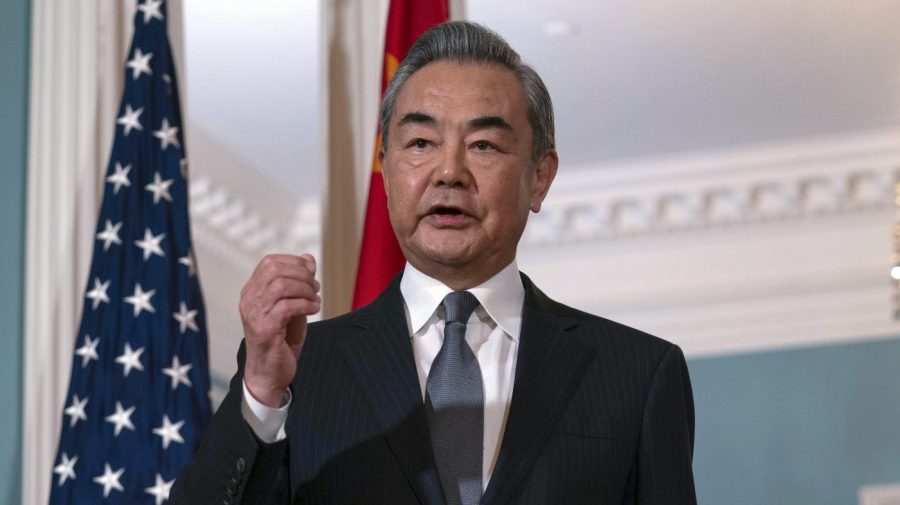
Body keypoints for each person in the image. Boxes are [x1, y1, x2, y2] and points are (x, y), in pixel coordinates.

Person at [172, 21, 696, 505]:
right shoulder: (300, 371)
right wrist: (263, 398)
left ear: (540, 177)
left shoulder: (637, 375)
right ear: (386, 168)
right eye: (421, 142)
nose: (449, 171)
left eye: (484, 145)